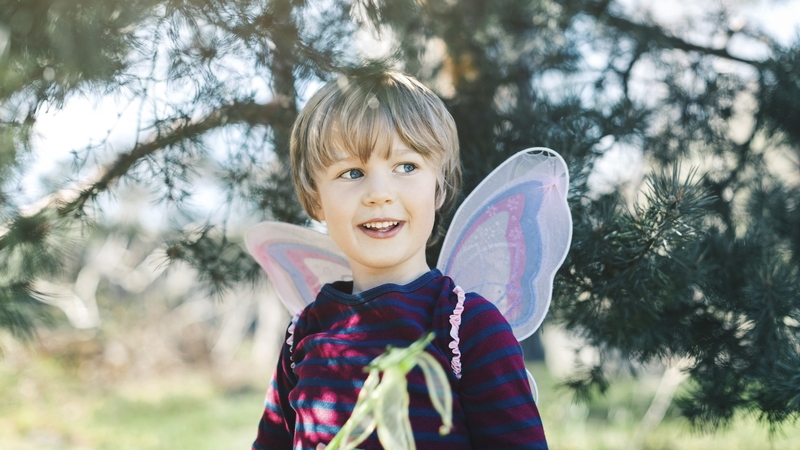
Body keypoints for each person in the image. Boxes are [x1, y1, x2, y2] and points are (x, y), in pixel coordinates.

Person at [252, 71, 548, 449]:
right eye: (352, 172)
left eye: (406, 167)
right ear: (315, 200)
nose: (379, 193)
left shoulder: (469, 329)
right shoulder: (303, 334)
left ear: (439, 186)